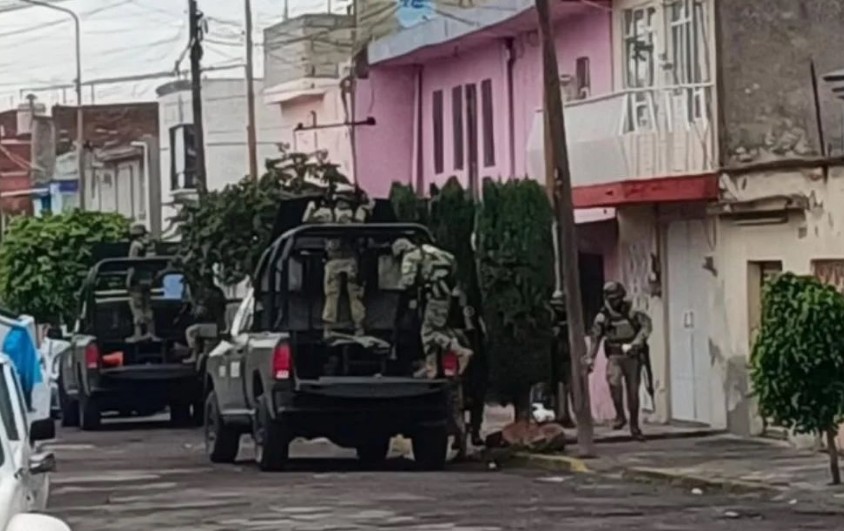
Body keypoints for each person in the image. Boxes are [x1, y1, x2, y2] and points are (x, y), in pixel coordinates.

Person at [393, 238, 473, 456]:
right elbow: (453, 263)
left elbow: (406, 282)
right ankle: (431, 369)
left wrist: (398, 292)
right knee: (432, 332)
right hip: (444, 294)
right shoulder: (430, 250)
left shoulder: (411, 257)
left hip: (436, 297)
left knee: (428, 333)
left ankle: (459, 351)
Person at [585, 281, 651, 440]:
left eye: (618, 298)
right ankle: (620, 416)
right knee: (614, 385)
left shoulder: (633, 312)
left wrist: (635, 343)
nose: (615, 301)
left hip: (632, 356)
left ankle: (634, 426)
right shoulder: (602, 317)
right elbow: (596, 338)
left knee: (633, 392)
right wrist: (590, 357)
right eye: (612, 298)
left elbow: (646, 327)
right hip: (614, 355)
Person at [302, 188, 373, 336]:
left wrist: (311, 205)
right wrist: (367, 204)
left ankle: (328, 327)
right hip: (350, 259)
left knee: (331, 294)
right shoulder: (357, 212)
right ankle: (358, 327)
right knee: (355, 295)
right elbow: (368, 211)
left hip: (333, 260)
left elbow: (306, 220)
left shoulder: (327, 213)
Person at [184, 272, 227, 359]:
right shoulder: (218, 291)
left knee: (190, 331)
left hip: (214, 325)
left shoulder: (209, 294)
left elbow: (201, 312)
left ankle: (194, 355)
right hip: (216, 324)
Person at [126, 223, 156, 342]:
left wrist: (128, 279)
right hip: (148, 280)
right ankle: (150, 332)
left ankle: (138, 334)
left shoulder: (135, 245)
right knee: (148, 307)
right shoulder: (150, 245)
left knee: (136, 307)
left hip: (137, 280)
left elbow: (132, 263)